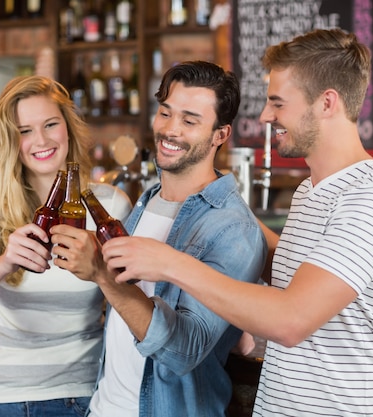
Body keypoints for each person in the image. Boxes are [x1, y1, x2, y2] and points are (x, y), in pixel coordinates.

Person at [97, 29, 373, 416]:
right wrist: (215, 209)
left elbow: (290, 319)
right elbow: (291, 268)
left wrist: (169, 261)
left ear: (327, 103)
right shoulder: (311, 192)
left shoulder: (372, 198)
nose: (266, 116)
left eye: (278, 103)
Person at [51, 60, 267, 417]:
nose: (170, 130)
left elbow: (183, 351)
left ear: (221, 135)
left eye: (189, 120)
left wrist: (102, 274)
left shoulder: (233, 229)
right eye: (165, 113)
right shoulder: (149, 198)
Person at [0, 75, 132, 417]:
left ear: (69, 129)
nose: (40, 140)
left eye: (50, 125)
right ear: (11, 140)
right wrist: (4, 262)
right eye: (25, 130)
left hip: (84, 395)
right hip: (4, 399)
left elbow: (133, 298)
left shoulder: (111, 205)